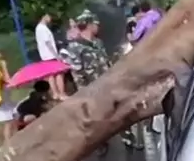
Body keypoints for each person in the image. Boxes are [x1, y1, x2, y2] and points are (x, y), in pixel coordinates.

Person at [60, 10, 141, 150]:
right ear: (89, 25)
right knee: (97, 120)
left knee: (119, 111)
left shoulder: (98, 43)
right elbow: (77, 74)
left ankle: (128, 138)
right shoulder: (75, 48)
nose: (98, 26)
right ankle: (99, 144)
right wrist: (84, 94)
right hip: (92, 90)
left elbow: (105, 62)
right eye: (95, 23)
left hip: (107, 85)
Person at [35, 12, 67, 101]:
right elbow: (48, 42)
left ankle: (55, 94)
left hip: (45, 55)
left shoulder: (38, 28)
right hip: (50, 54)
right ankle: (61, 93)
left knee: (51, 75)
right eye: (49, 16)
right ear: (44, 16)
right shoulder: (43, 28)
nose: (50, 19)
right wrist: (56, 55)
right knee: (59, 73)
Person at [0, 44, 18, 141]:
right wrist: (4, 67)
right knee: (9, 122)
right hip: (1, 98)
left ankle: (16, 140)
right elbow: (7, 79)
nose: (0, 54)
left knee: (13, 118)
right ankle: (9, 144)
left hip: (2, 97)